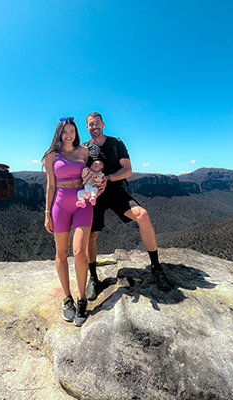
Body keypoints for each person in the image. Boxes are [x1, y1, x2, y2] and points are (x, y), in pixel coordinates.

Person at [83, 112, 172, 299]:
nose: (94, 127)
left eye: (97, 123)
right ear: (87, 127)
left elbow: (128, 170)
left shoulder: (116, 144)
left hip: (115, 191)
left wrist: (108, 178)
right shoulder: (85, 148)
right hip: (94, 195)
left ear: (103, 124)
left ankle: (156, 267)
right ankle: (93, 278)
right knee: (91, 235)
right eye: (90, 124)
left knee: (143, 215)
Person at [43, 117, 92, 326]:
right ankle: (67, 298)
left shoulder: (84, 152)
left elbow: (90, 176)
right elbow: (51, 186)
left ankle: (82, 299)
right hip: (60, 205)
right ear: (59, 134)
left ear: (76, 133)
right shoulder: (51, 156)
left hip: (83, 203)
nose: (69, 135)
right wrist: (47, 213)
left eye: (72, 131)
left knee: (80, 251)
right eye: (65, 132)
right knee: (61, 253)